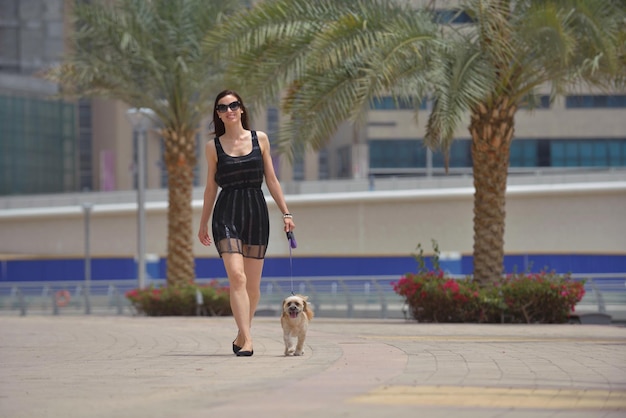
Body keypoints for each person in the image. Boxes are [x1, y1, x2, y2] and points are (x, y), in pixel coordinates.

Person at [198, 90, 295, 357]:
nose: (229, 110)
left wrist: (286, 213)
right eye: (222, 107)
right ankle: (250, 341)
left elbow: (272, 180)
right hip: (226, 213)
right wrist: (203, 223)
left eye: (233, 105)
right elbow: (210, 189)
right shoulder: (213, 147)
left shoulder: (260, 139)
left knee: (252, 286)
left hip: (255, 212)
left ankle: (242, 333)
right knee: (237, 277)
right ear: (217, 114)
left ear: (241, 109)